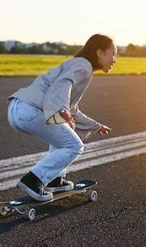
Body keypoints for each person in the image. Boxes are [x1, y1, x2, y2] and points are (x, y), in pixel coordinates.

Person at [7, 34, 116, 201]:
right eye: (113, 54)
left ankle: (55, 179)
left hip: (19, 108)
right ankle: (33, 180)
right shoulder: (84, 66)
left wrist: (95, 125)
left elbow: (72, 109)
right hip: (32, 110)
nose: (114, 60)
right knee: (74, 146)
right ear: (100, 53)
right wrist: (61, 109)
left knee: (64, 131)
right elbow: (63, 84)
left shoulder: (78, 64)